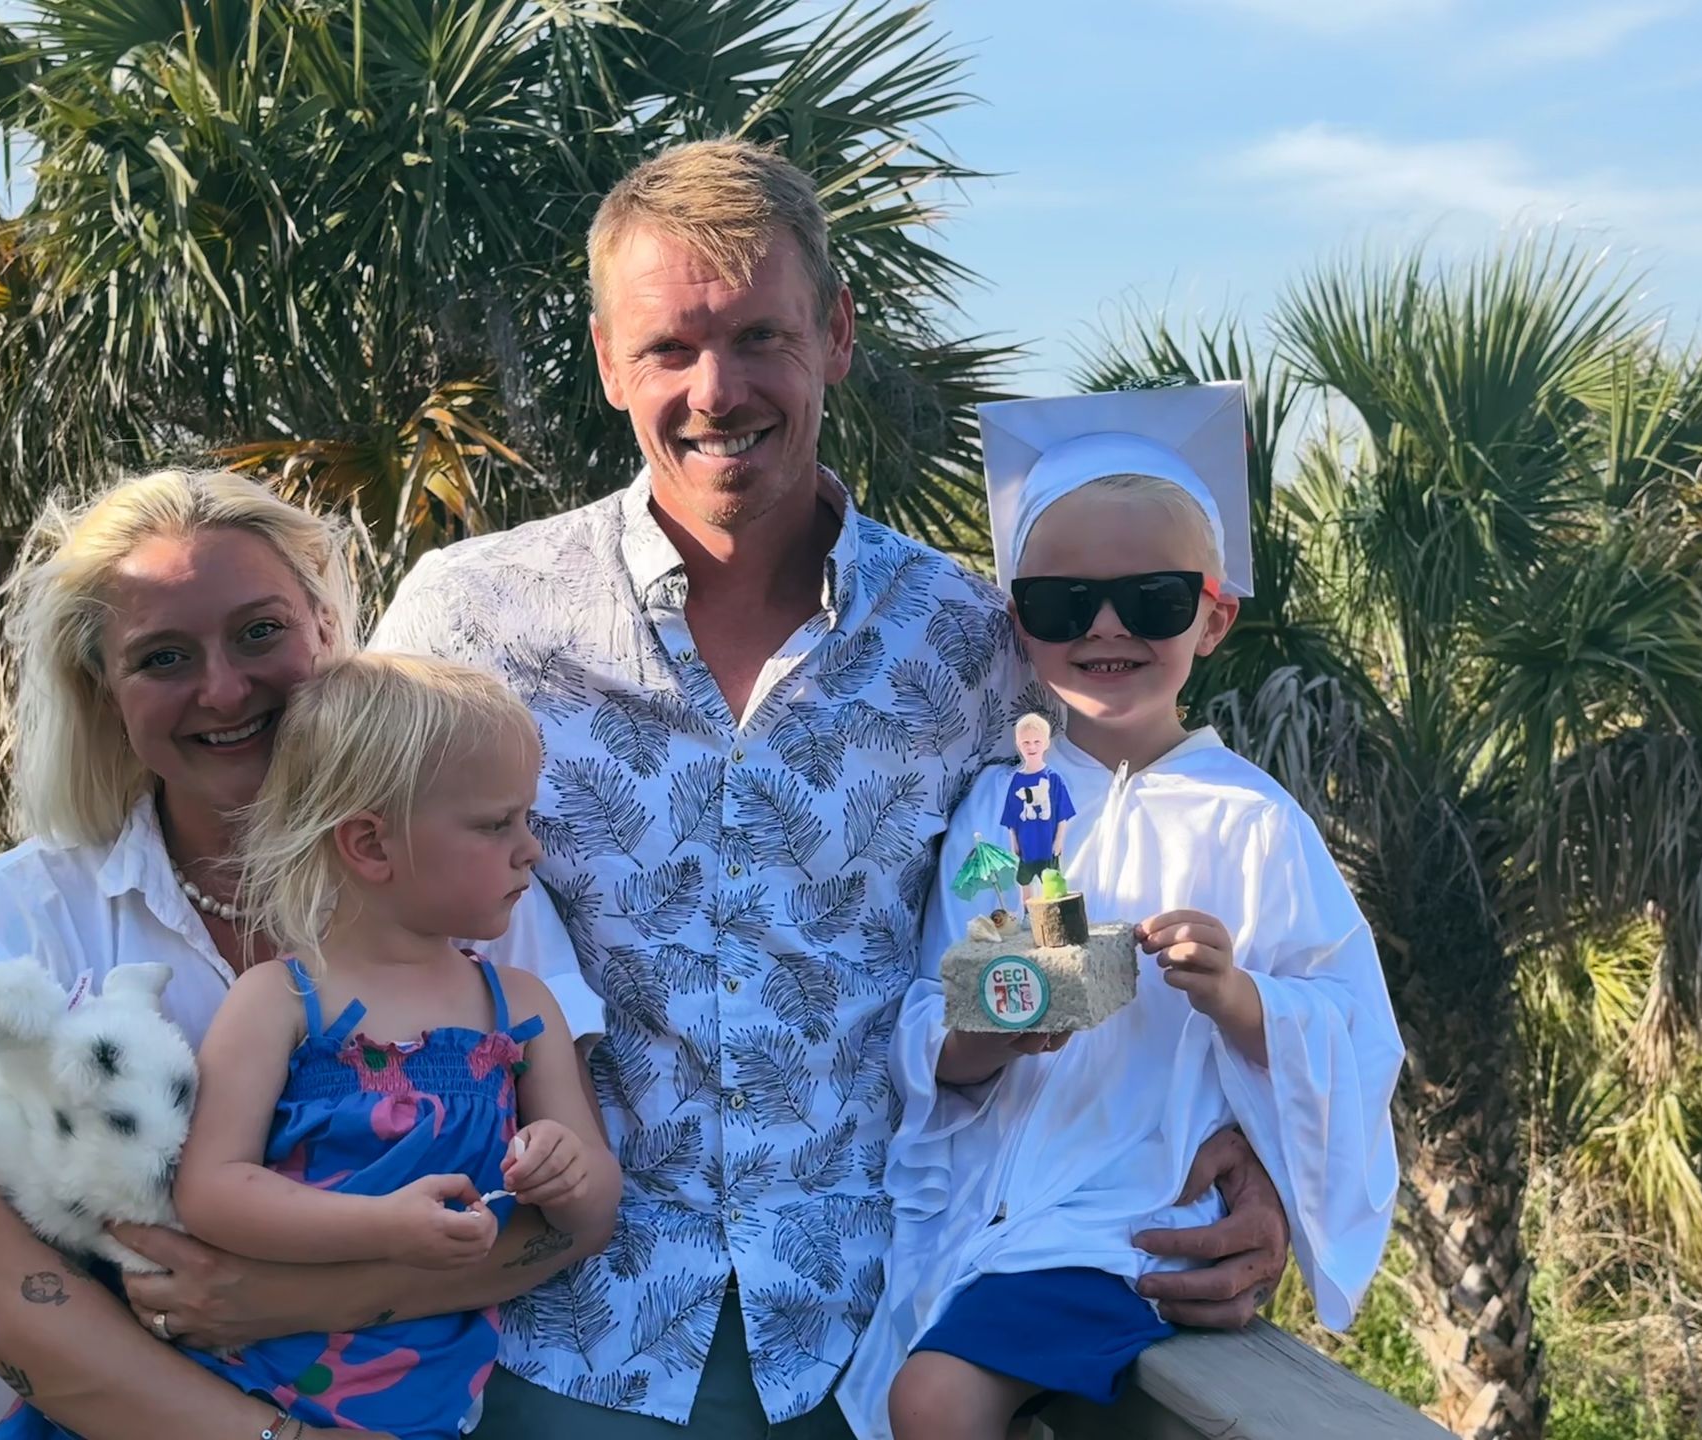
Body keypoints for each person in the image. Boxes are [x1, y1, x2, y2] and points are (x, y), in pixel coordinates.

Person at [370, 140, 1298, 1437]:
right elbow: (338, 913)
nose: (717, 389)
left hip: (879, 1334)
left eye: (761, 336)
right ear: (604, 360)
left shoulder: (968, 639)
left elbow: (1112, 899)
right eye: (669, 349)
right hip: (544, 1337)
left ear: (837, 333)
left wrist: (1253, 1150)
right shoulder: (471, 619)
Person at [0, 472, 597, 1440]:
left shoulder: (479, 892)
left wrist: (285, 1300)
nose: (222, 688)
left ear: (325, 631)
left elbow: (560, 1221)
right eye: (163, 657)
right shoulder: (16, 916)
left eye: (260, 632)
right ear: (104, 692)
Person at [837, 383, 1406, 1440]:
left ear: (1214, 613)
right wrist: (994, 1023)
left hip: (1122, 1223)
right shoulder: (999, 808)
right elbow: (935, 1014)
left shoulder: (1253, 823)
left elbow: (1350, 1021)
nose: (1106, 629)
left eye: (1150, 600)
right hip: (985, 1211)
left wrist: (1239, 999)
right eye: (1064, 605)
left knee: (932, 1400)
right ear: (1021, 622)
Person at [1002, 713, 1073, 899]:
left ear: (1046, 743)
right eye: (1026, 742)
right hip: (1027, 843)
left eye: (1036, 741)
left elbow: (1063, 815)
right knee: (1025, 879)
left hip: (1047, 843)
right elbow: (1012, 816)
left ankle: (1052, 912)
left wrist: (1058, 841)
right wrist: (1014, 842)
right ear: (1018, 744)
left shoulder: (1053, 778)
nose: (1031, 747)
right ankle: (1027, 913)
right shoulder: (1017, 780)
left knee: (1050, 880)